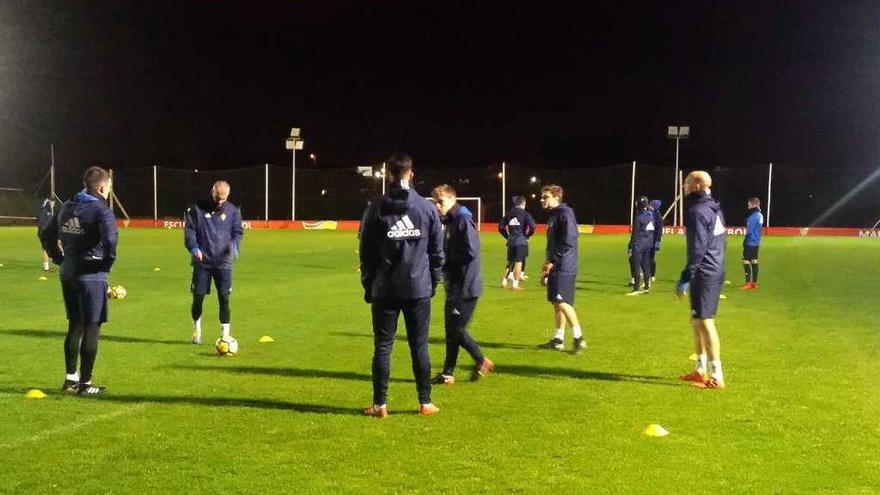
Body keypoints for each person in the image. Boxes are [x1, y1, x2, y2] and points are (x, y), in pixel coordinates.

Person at [359, 152, 444, 418]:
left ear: (388, 174)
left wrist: (368, 284)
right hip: (418, 287)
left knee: (383, 346)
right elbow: (436, 251)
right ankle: (425, 402)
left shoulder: (376, 207)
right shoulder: (427, 208)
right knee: (419, 345)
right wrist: (434, 281)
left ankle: (380, 405)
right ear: (412, 174)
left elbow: (366, 251)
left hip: (385, 287)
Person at [39, 166, 118, 396]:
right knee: (92, 327)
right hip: (91, 274)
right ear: (103, 187)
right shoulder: (101, 210)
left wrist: (58, 257)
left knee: (75, 324)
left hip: (69, 271)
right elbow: (111, 240)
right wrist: (106, 263)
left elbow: (45, 234)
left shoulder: (67, 205)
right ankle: (85, 384)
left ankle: (70, 379)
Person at [431, 184, 493, 385]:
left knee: (457, 331)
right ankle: (448, 373)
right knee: (451, 331)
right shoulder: (449, 221)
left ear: (451, 199)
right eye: (435, 202)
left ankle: (481, 360)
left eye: (440, 201)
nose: (438, 205)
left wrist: (447, 263)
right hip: (455, 286)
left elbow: (470, 252)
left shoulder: (463, 220)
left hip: (466, 287)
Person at [676, 171, 727, 389]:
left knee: (706, 321)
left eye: (687, 183)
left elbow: (698, 249)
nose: (684, 187)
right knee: (697, 320)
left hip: (705, 271)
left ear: (697, 185)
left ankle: (717, 376)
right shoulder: (713, 207)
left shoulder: (698, 211)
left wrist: (685, 276)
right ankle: (700, 369)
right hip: (711, 269)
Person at [184, 180, 244, 345]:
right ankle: (197, 330)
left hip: (223, 263)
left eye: (223, 200)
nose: (219, 203)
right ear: (212, 193)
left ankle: (225, 335)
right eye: (217, 199)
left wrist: (234, 244)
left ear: (227, 196)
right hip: (202, 262)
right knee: (198, 297)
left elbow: (238, 231)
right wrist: (194, 247)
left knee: (224, 298)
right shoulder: (197, 209)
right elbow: (189, 231)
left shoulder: (232, 211)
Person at [537, 185, 586, 352]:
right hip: (557, 264)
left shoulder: (564, 215)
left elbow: (569, 241)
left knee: (561, 301)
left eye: (545, 197)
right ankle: (558, 339)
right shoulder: (554, 215)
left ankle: (579, 337)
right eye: (542, 197)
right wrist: (547, 265)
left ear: (556, 198)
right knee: (556, 303)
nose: (542, 200)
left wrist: (552, 261)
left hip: (564, 265)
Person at [499, 195, 536, 290]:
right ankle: (515, 284)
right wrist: (527, 236)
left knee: (510, 262)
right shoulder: (525, 214)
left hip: (511, 241)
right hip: (520, 240)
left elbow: (500, 227)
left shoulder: (509, 213)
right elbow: (532, 226)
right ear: (524, 203)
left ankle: (504, 281)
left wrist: (507, 237)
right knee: (519, 262)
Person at [626, 196, 655, 296]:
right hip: (648, 244)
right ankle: (647, 286)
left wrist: (630, 245)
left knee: (636, 265)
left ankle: (636, 288)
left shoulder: (638, 217)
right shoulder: (651, 215)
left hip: (638, 244)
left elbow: (635, 233)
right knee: (646, 265)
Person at [741, 197, 763, 290]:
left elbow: (749, 231)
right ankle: (754, 282)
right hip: (756, 241)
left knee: (746, 260)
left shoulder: (753, 216)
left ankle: (748, 283)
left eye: (749, 204)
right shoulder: (760, 214)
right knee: (754, 260)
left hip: (750, 241)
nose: (748, 206)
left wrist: (745, 240)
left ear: (754, 205)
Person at [37, 198, 55, 272]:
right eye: (52, 203)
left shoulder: (49, 212)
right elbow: (42, 224)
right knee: (46, 250)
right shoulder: (45, 212)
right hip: (45, 234)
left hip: (46, 234)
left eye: (53, 203)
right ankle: (46, 268)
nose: (53, 205)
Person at [649, 199, 663, 281]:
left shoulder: (657, 216)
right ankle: (649, 274)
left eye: (651, 205)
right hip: (649, 239)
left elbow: (659, 230)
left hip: (653, 240)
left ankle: (652, 275)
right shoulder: (652, 214)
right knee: (648, 257)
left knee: (651, 258)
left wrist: (658, 241)